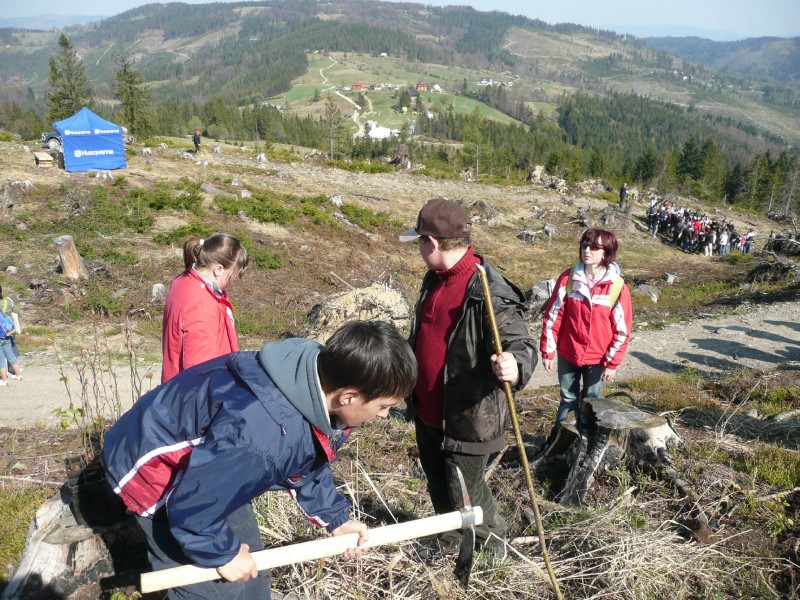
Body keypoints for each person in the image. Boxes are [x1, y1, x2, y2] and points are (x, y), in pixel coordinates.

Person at [104, 320, 417, 600]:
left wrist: (334, 518)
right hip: (154, 473)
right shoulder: (263, 435)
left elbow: (307, 452)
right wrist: (221, 554)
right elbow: (192, 507)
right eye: (384, 405)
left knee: (253, 574)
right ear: (348, 397)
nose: (386, 415)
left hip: (215, 468)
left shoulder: (311, 377)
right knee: (215, 590)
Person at [399, 197, 537, 559]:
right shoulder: (435, 277)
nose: (417, 248)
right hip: (428, 411)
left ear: (432, 243)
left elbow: (520, 342)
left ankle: (494, 550)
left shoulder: (488, 290)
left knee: (468, 494)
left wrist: (516, 365)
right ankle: (449, 543)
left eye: (418, 241)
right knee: (438, 484)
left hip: (466, 418)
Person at [540, 227, 633, 430]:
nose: (587, 250)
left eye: (594, 246)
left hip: (598, 358)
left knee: (592, 402)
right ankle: (558, 443)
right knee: (567, 399)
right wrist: (548, 351)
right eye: (584, 245)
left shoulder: (616, 287)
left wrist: (612, 363)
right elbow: (553, 317)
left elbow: (622, 330)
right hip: (568, 352)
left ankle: (587, 446)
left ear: (607, 252)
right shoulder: (569, 279)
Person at [161, 233, 249, 383]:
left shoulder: (184, 282)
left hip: (174, 386)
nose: (234, 281)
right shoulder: (202, 306)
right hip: (198, 396)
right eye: (233, 274)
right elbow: (200, 370)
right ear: (218, 269)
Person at [0, 309, 22, 386]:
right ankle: (18, 375)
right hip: (7, 336)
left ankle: (4, 381)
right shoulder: (2, 313)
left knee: (1, 361)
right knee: (11, 357)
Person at [0, 286, 21, 366]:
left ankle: (2, 370)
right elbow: (17, 311)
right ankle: (16, 367)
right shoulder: (8, 300)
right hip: (9, 328)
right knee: (12, 346)